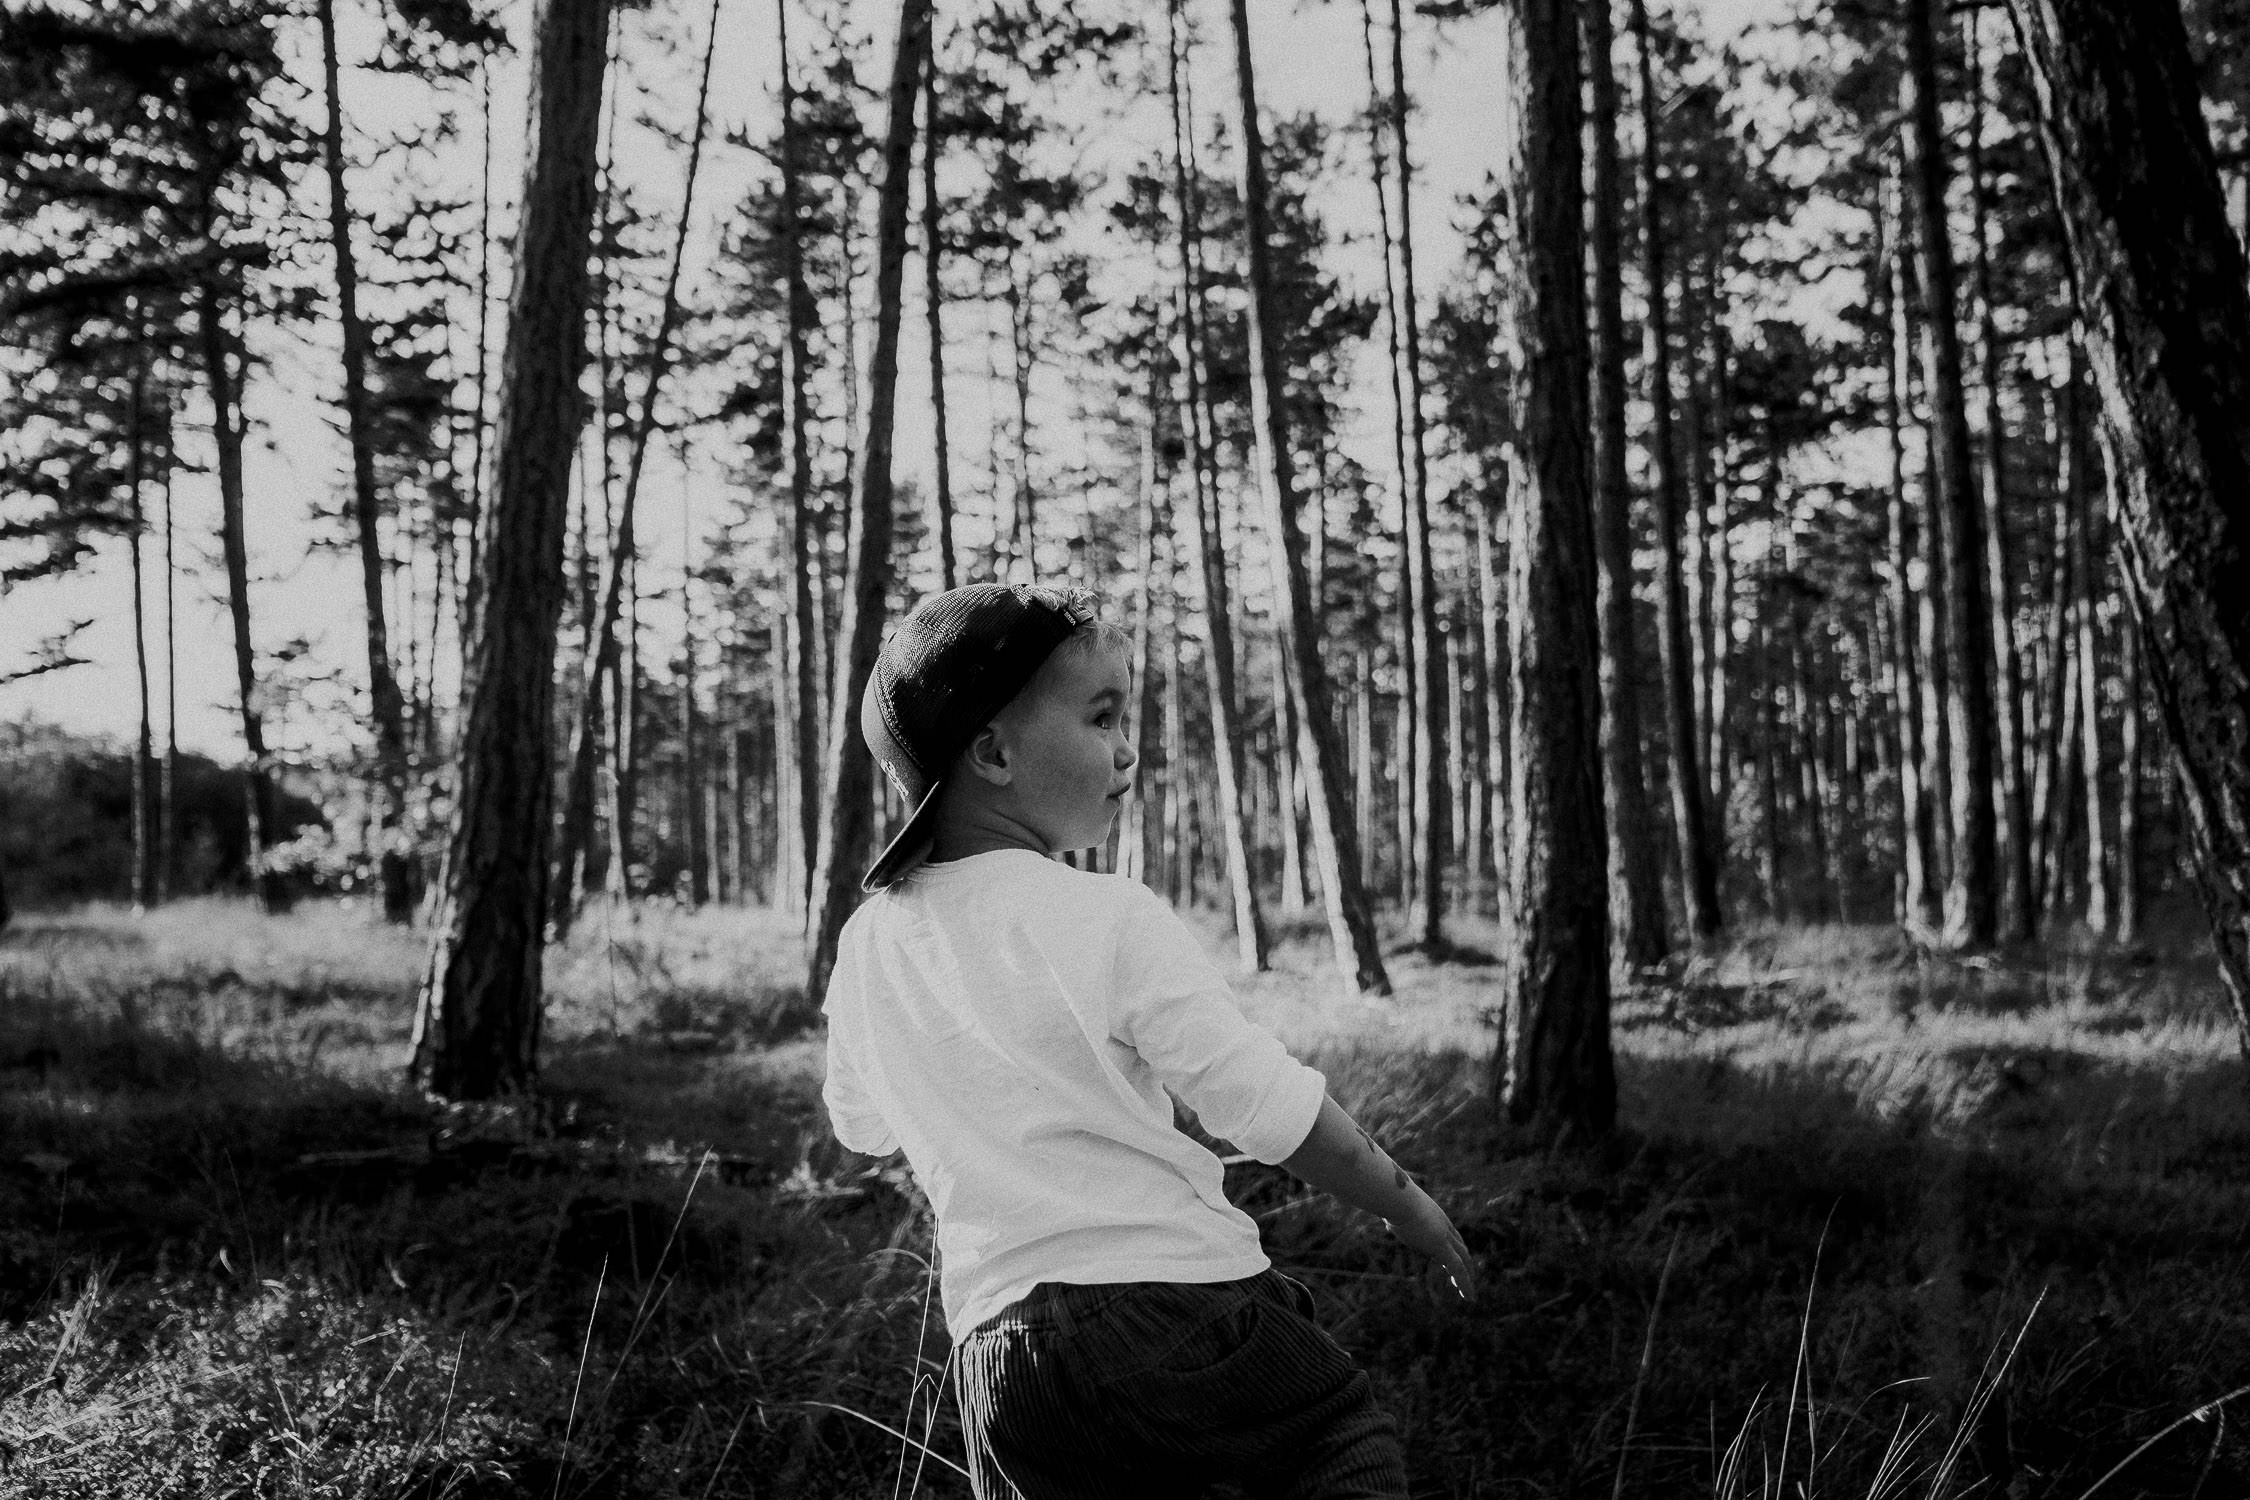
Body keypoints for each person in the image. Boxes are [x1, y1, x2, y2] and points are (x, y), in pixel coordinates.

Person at [820, 582, 1478, 1499]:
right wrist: (1404, 1203)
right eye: (1102, 717)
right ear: (994, 752)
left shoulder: (869, 943)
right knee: (1334, 1440)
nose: (1129, 749)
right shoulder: (1106, 913)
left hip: (1003, 1364)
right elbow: (1264, 1104)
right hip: (1180, 1303)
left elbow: (862, 1126)